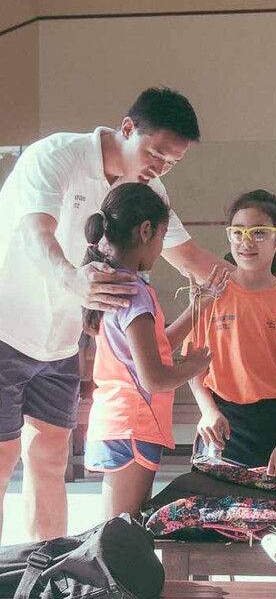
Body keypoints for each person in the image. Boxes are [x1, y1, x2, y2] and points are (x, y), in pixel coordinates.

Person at [0, 86, 230, 541]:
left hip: (61, 343)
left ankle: (44, 568)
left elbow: (189, 258)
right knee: (4, 459)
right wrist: (70, 278)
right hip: (8, 326)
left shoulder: (148, 189)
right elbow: (35, 231)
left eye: (172, 162)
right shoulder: (56, 155)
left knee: (49, 459)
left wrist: (265, 282)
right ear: (127, 128)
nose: (160, 167)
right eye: (155, 153)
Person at [82, 183, 227, 519]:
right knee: (119, 532)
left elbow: (156, 347)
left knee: (127, 528)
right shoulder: (133, 291)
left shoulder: (119, 284)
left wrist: (201, 303)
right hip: (131, 423)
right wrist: (194, 367)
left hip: (125, 422)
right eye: (162, 237)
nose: (162, 248)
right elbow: (154, 378)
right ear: (145, 231)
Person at [189, 190, 276, 483]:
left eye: (259, 232)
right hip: (225, 428)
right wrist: (208, 411)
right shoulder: (210, 298)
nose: (246, 241)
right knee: (223, 512)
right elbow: (194, 369)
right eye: (238, 232)